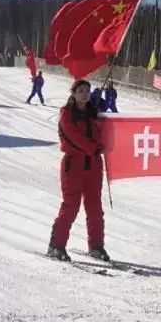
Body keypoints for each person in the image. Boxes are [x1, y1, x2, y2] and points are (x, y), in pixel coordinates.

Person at [47, 79, 110, 263]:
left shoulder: (94, 113)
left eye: (87, 91)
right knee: (70, 206)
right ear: (73, 94)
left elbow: (105, 134)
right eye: (81, 91)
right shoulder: (67, 114)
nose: (85, 94)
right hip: (73, 165)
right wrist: (94, 148)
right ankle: (56, 245)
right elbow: (74, 138)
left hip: (94, 166)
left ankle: (96, 246)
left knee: (95, 207)